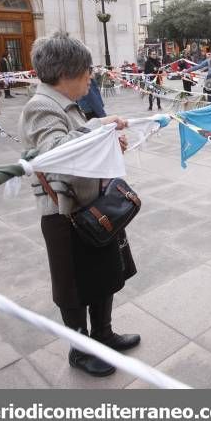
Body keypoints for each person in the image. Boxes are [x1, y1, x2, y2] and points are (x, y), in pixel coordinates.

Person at [19, 31, 139, 378]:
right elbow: (56, 152)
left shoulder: (66, 105)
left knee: (103, 274)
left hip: (91, 205)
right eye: (88, 70)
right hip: (65, 215)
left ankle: (103, 334)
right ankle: (80, 349)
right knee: (73, 286)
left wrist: (109, 143)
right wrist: (99, 127)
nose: (91, 76)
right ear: (67, 71)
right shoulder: (41, 106)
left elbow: (82, 151)